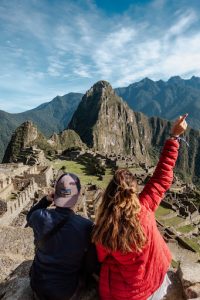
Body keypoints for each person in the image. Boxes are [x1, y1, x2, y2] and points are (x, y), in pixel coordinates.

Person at [92, 114, 188, 300]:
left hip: (122, 294)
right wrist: (174, 138)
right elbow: (162, 177)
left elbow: (102, 258)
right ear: (133, 192)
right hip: (155, 285)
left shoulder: (103, 229)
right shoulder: (145, 208)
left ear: (108, 196)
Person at [27, 172, 97, 300]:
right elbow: (91, 264)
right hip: (65, 293)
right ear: (77, 195)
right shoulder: (86, 226)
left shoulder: (39, 217)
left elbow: (30, 216)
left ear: (55, 196)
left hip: (38, 287)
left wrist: (45, 200)